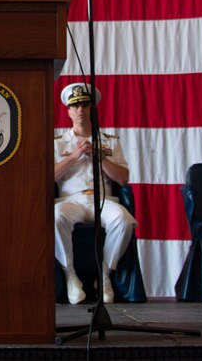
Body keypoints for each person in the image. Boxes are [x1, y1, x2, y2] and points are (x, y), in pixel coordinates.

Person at [53, 82, 137, 305]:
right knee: (54, 216)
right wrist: (74, 156)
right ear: (68, 111)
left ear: (93, 108)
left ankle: (104, 274)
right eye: (76, 105)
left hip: (103, 199)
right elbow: (48, 177)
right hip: (71, 200)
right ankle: (70, 275)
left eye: (85, 104)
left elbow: (123, 178)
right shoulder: (57, 142)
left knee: (125, 221)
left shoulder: (109, 141)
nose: (81, 109)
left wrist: (100, 157)